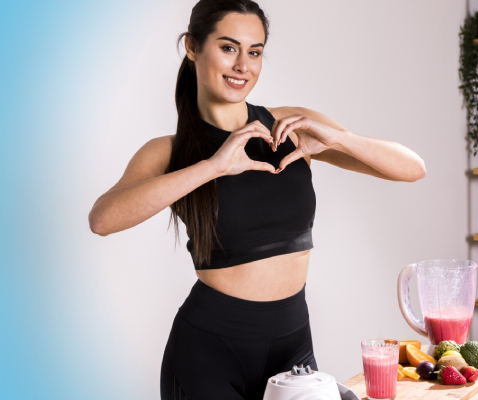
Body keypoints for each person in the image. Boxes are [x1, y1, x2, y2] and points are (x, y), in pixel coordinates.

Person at [87, 0, 425, 399]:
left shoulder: (290, 125)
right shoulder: (168, 151)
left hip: (293, 347)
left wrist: (339, 138)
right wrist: (214, 166)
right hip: (208, 355)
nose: (242, 66)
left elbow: (412, 168)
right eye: (228, 48)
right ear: (192, 47)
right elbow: (103, 219)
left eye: (255, 51)